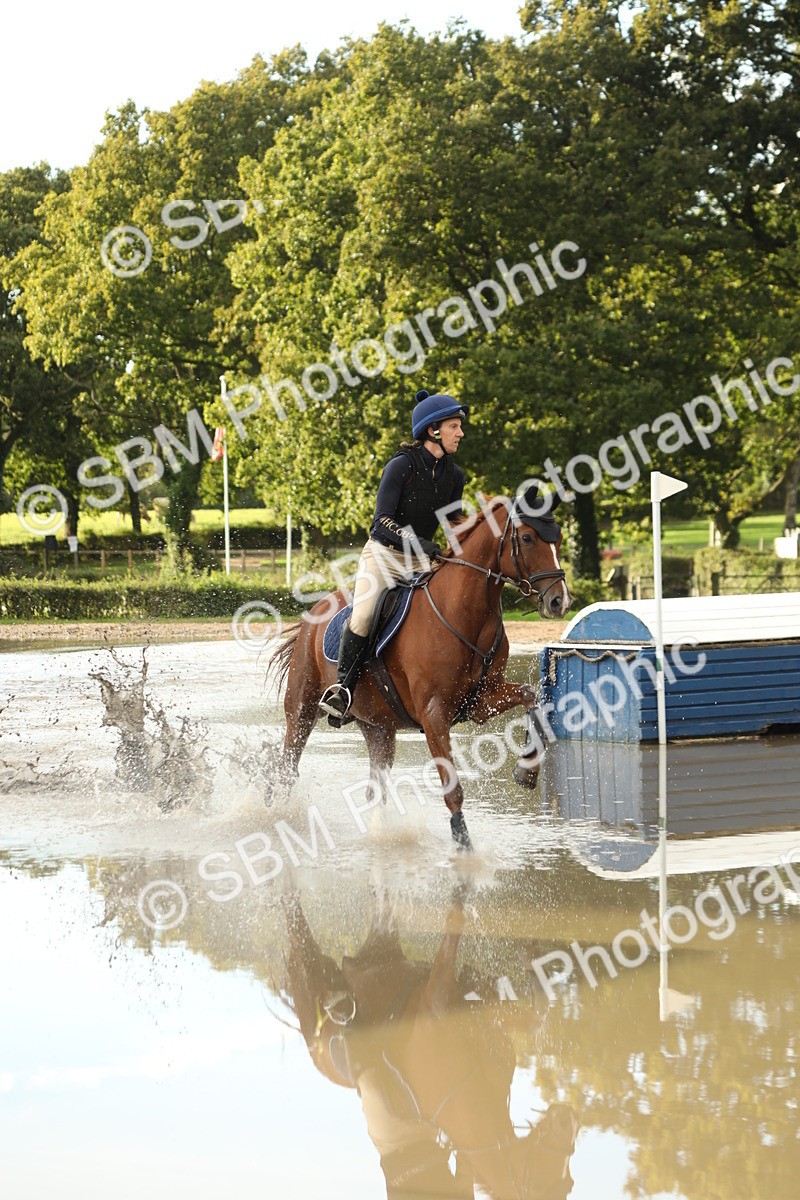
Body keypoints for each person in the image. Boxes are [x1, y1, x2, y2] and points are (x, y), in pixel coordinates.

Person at [318, 389, 467, 724]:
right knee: (364, 615)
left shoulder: (454, 476)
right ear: (433, 431)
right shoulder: (402, 466)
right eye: (454, 426)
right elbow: (381, 522)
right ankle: (343, 691)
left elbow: (455, 525)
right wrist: (420, 543)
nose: (461, 433)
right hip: (384, 556)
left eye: (460, 427)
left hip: (422, 560)